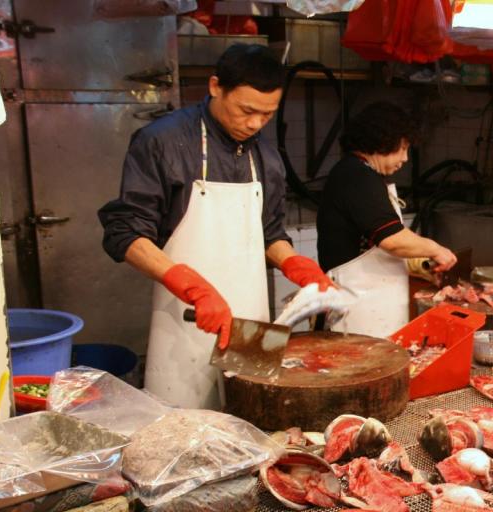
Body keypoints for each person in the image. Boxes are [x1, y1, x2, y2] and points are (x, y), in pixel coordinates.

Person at [98, 44, 334, 409]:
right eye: (246, 111)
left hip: (252, 326)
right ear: (214, 87)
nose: (255, 124)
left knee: (254, 421)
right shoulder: (161, 142)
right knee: (186, 433)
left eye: (267, 115)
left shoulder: (267, 157)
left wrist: (292, 262)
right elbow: (125, 233)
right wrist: (191, 287)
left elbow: (270, 233)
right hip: (187, 320)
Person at [316, 102, 456, 338]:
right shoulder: (356, 176)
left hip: (372, 311)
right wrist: (435, 249)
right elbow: (391, 240)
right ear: (381, 142)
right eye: (402, 148)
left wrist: (419, 265)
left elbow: (371, 244)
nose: (405, 158)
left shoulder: (363, 174)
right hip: (354, 313)